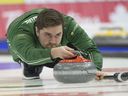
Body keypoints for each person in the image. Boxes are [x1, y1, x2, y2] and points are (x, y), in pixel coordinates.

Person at [7, 8, 104, 80]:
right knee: (31, 72)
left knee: (78, 55)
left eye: (58, 35)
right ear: (37, 31)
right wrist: (54, 52)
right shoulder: (20, 35)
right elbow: (27, 56)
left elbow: (91, 49)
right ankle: (31, 66)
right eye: (48, 35)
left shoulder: (69, 25)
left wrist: (95, 69)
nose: (53, 41)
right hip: (27, 50)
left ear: (63, 28)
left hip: (57, 48)